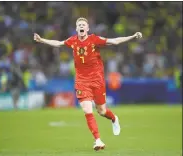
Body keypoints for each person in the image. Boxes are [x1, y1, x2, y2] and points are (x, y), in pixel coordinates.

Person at [34, 17, 142, 151]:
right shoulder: (72, 40)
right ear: (76, 28)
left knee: (102, 111)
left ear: (87, 28)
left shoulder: (94, 39)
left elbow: (114, 41)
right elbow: (59, 43)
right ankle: (98, 140)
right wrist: (42, 40)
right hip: (81, 81)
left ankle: (114, 118)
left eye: (83, 25)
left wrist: (132, 36)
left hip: (97, 80)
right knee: (87, 109)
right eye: (79, 25)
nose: (81, 26)